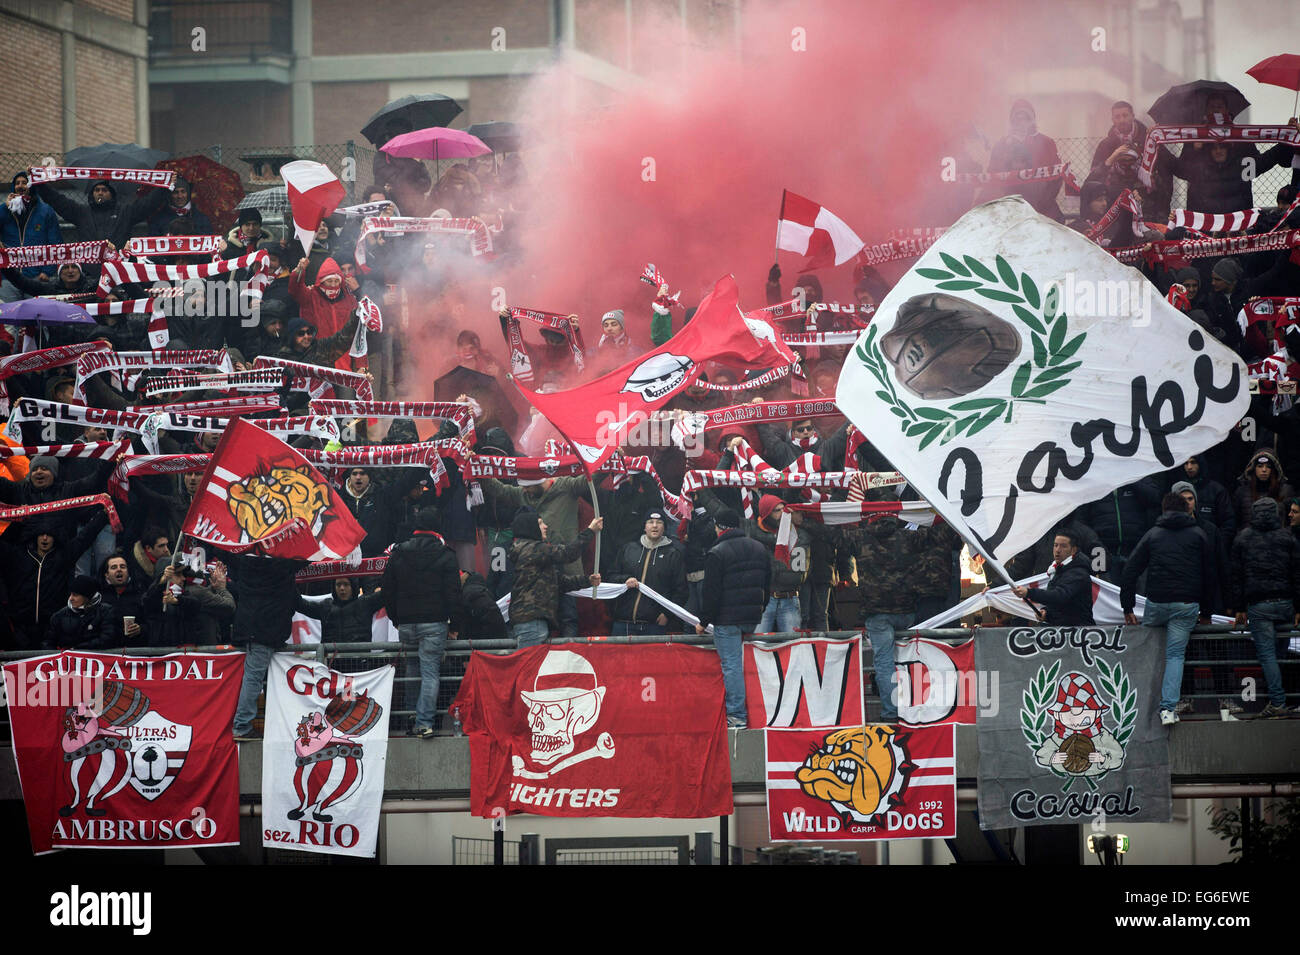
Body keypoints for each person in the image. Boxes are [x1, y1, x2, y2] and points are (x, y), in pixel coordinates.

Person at [1121, 493, 1214, 726]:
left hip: (1157, 603)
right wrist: (1207, 612)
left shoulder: (1153, 535)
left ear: (1163, 510)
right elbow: (1210, 576)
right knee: (1175, 656)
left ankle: (1138, 702)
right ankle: (1168, 709)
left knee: (1149, 651)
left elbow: (1130, 570)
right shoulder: (1199, 535)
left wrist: (1127, 606)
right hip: (1186, 605)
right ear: (1186, 509)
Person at [380, 507, 462, 738]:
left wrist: (396, 619)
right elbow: (454, 594)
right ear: (436, 529)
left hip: (406, 624)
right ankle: (423, 723)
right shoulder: (446, 554)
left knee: (412, 671)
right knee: (429, 673)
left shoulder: (398, 553)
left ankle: (410, 717)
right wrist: (454, 625)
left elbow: (387, 589)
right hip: (434, 624)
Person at [695, 507, 770, 728]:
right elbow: (768, 583)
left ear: (718, 528)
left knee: (732, 666)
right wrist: (760, 609)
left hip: (727, 620)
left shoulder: (717, 552)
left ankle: (737, 716)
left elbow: (711, 593)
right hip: (753, 617)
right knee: (755, 662)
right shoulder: (759, 548)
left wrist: (703, 621)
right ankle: (761, 711)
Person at [1228, 498, 1300, 719]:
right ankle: (1279, 701)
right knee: (1279, 654)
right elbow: (1297, 574)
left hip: (1258, 606)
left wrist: (1239, 607)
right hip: (1286, 604)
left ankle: (1277, 702)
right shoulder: (1289, 537)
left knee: (1267, 655)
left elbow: (1236, 577)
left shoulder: (1243, 538)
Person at [231, 555, 308, 741]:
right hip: (265, 632)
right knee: (254, 678)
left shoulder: (246, 562)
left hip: (252, 629)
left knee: (255, 678)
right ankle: (242, 725)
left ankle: (252, 724)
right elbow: (304, 558)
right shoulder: (280, 564)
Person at [507, 510, 602, 647]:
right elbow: (568, 553)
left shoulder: (529, 552)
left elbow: (559, 582)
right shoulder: (534, 549)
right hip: (533, 622)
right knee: (530, 665)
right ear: (530, 528)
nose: (546, 526)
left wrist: (587, 581)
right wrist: (590, 531)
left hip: (531, 622)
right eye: (540, 523)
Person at [613, 509, 687, 636]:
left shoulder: (673, 554)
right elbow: (611, 576)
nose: (654, 525)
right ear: (644, 527)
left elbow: (681, 591)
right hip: (623, 623)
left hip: (654, 625)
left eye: (659, 522)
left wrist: (666, 615)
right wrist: (625, 580)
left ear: (664, 528)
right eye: (650, 522)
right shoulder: (628, 549)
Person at [2, 171, 64, 299]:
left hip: (36, 278)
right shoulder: (4, 210)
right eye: (17, 183)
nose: (20, 186)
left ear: (31, 186)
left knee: (35, 315)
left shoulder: (45, 211)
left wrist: (47, 271)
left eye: (24, 183)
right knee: (9, 316)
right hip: (8, 277)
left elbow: (56, 243)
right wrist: (5, 208)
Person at [1013, 530, 1094, 625]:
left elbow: (1059, 596)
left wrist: (1029, 592)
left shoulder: (1078, 573)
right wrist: (1047, 613)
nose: (1058, 550)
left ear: (1073, 550)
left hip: (1078, 634)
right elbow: (1062, 607)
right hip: (1063, 631)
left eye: (1063, 546)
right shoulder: (1058, 570)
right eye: (1055, 545)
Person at [45, 575, 121, 650]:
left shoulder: (106, 612)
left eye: (75, 595)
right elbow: (48, 643)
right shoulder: (59, 616)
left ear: (87, 597)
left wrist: (78, 649)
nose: (71, 598)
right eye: (70, 594)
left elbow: (108, 639)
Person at [1233, 450, 1294, 532]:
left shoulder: (1285, 491)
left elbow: (1293, 522)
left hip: (1277, 542)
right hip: (1250, 542)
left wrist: (1283, 537)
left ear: (1274, 469)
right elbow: (1235, 523)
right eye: (1260, 466)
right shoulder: (1242, 492)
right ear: (1253, 468)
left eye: (1268, 466)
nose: (1264, 470)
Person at [147, 177, 214, 236]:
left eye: (183, 191)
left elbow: (210, 242)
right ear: (170, 195)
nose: (180, 196)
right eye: (176, 192)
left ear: (188, 193)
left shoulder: (202, 219)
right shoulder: (158, 220)